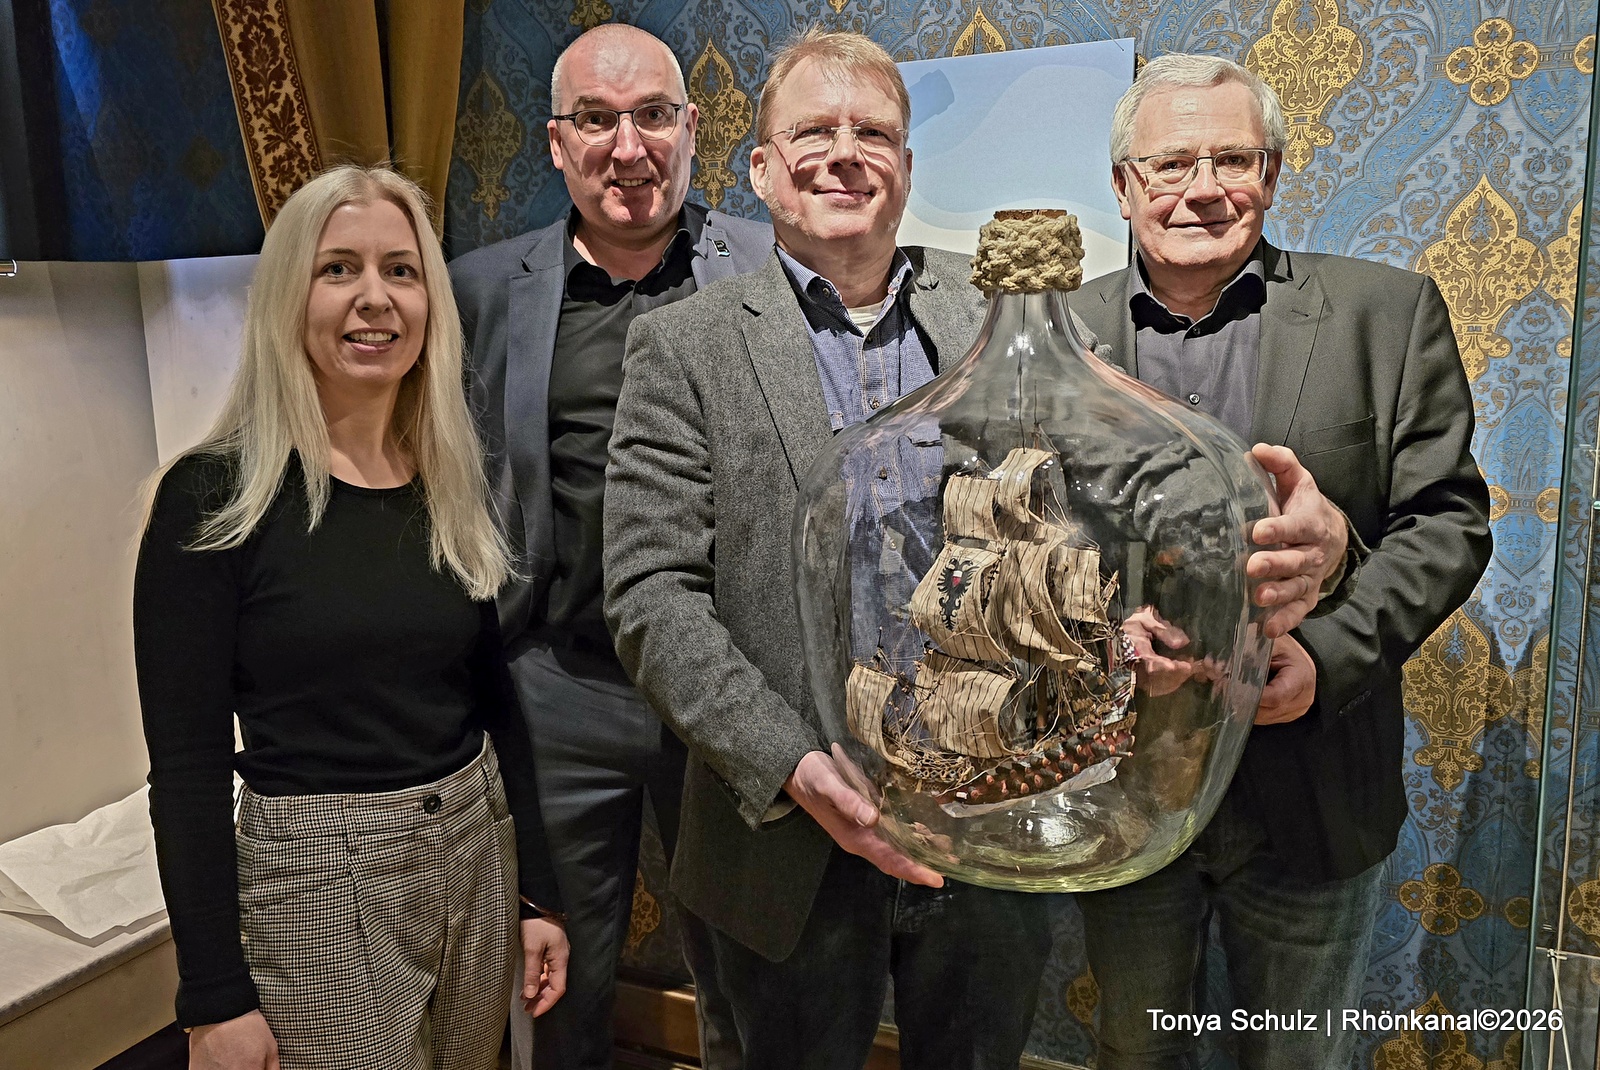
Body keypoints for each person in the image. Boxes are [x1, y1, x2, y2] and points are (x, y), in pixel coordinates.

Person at [602, 29, 1349, 1069]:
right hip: (782, 837)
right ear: (762, 168)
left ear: (907, 168)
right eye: (813, 132)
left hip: (992, 817)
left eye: (873, 133)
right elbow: (650, 594)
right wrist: (791, 766)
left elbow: (1118, 495)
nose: (844, 153)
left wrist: (1299, 540)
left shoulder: (1007, 311)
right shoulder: (684, 346)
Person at [1068, 54, 1493, 1069]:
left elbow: (1449, 522)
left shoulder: (1385, 314)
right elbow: (1025, 533)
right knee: (1135, 1051)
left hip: (1311, 788)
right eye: (1170, 162)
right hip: (1122, 786)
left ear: (1271, 173)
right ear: (1123, 184)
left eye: (1233, 159)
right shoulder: (1060, 333)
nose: (1202, 187)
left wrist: (1327, 656)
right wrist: (1094, 633)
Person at [134, 164, 568, 1070]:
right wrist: (213, 998)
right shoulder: (212, 499)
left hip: (476, 850)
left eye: (401, 270)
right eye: (339, 269)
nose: (375, 298)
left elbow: (494, 705)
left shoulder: (448, 482)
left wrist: (537, 894)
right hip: (320, 887)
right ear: (289, 297)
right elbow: (187, 769)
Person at [448, 23, 771, 1070]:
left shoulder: (771, 266)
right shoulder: (477, 290)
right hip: (561, 689)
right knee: (558, 983)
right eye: (596, 119)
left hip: (729, 682)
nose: (627, 148)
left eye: (652, 116)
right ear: (556, 142)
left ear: (692, 129)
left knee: (746, 973)